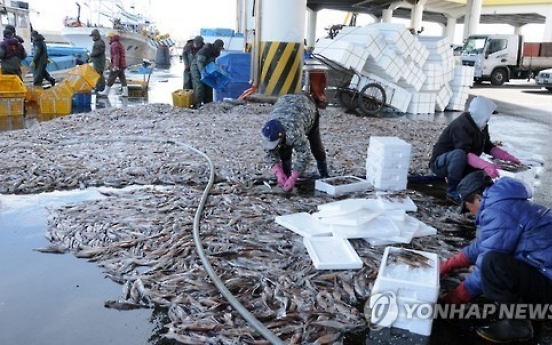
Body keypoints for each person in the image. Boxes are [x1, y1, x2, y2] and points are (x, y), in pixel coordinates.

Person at [439, 170, 552, 343]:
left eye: (468, 206)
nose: (469, 212)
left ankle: (518, 325)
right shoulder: (505, 204)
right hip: (543, 272)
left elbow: (486, 259)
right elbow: (484, 244)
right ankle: (532, 308)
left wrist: (455, 298)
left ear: (478, 197)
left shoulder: (499, 212)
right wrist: (449, 265)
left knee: (493, 264)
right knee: (495, 260)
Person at [429, 96, 520, 204]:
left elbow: (488, 146)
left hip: (461, 163)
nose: (488, 119)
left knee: (480, 177)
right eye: (488, 115)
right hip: (441, 164)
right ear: (481, 113)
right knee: (460, 154)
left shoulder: (481, 126)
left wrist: (506, 156)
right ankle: (452, 191)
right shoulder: (461, 125)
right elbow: (465, 153)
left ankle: (464, 187)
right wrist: (485, 165)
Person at [260, 93, 329, 192]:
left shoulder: (294, 132)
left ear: (282, 135)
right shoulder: (268, 130)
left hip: (307, 108)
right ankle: (285, 175)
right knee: (283, 149)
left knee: (315, 145)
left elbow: (304, 155)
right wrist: (278, 172)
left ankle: (324, 174)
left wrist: (294, 177)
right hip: (284, 103)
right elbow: (269, 151)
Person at [195, 38, 224, 105]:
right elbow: (200, 61)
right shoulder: (206, 50)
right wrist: (202, 72)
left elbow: (214, 61)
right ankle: (198, 103)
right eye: (219, 48)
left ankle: (208, 103)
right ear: (216, 46)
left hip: (207, 67)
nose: (220, 50)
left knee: (209, 84)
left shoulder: (217, 52)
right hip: (197, 66)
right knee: (200, 85)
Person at [98, 33, 128, 97]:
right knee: (122, 78)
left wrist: (115, 65)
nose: (108, 38)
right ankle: (125, 92)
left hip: (118, 65)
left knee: (111, 78)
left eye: (109, 37)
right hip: (121, 65)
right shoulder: (119, 44)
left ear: (112, 37)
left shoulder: (114, 45)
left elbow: (116, 56)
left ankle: (106, 92)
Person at [185, 35, 205, 103]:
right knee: (187, 82)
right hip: (188, 64)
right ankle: (186, 99)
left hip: (196, 65)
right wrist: (186, 64)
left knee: (196, 83)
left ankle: (196, 100)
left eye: (198, 44)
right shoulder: (188, 46)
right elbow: (184, 54)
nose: (196, 45)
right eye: (195, 44)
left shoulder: (203, 47)